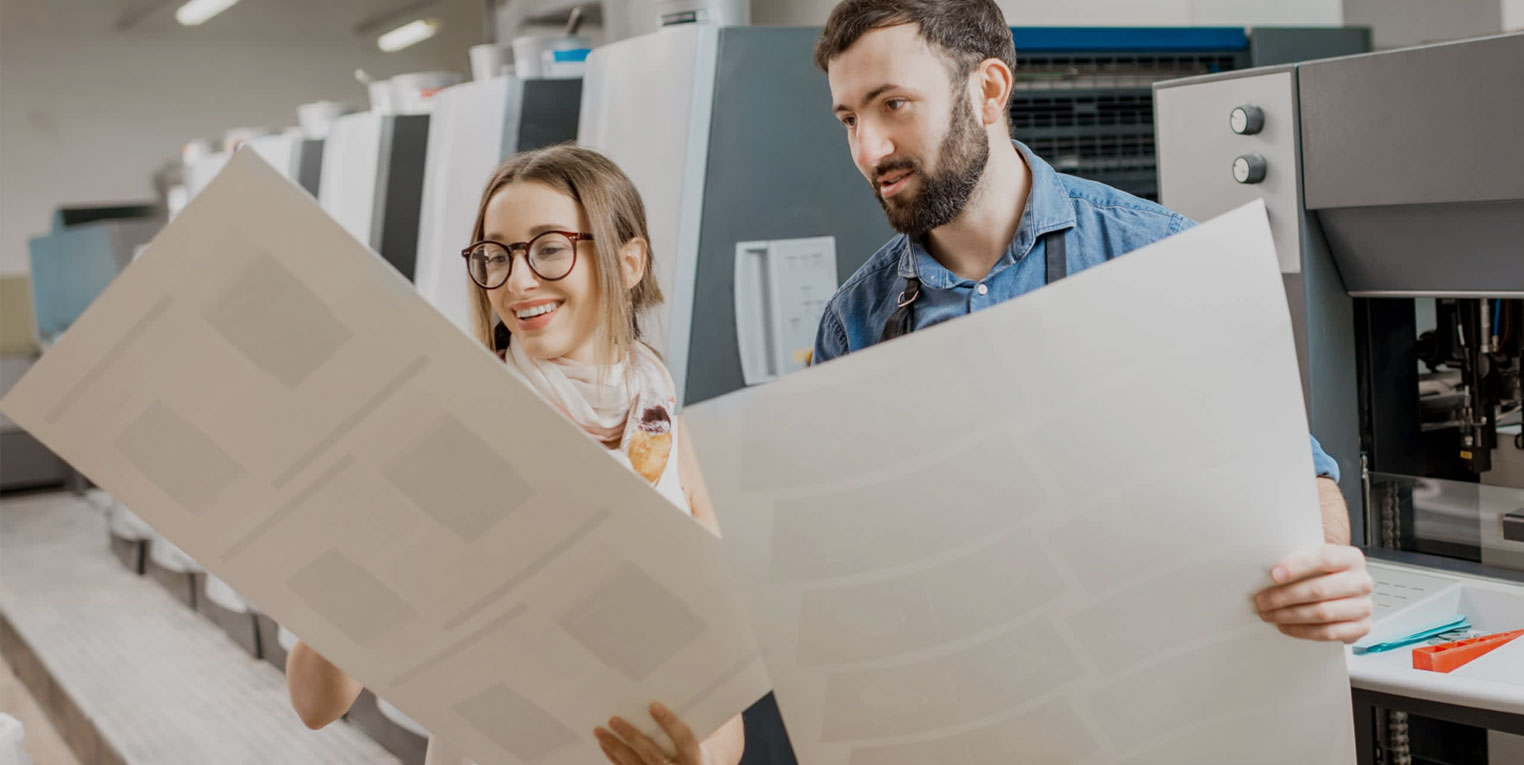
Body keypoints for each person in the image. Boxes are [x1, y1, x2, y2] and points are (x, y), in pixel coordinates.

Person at [812, 0, 1373, 643]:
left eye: (894, 105)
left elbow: (1301, 482)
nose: (868, 148)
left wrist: (1320, 577)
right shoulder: (855, 324)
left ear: (987, 90)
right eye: (849, 119)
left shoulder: (1161, 257)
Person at [286, 145, 744, 765]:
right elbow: (317, 705)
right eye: (496, 256)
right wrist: (356, 564)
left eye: (549, 247)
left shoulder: (674, 442)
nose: (518, 281)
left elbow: (720, 697)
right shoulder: (447, 434)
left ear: (629, 261)